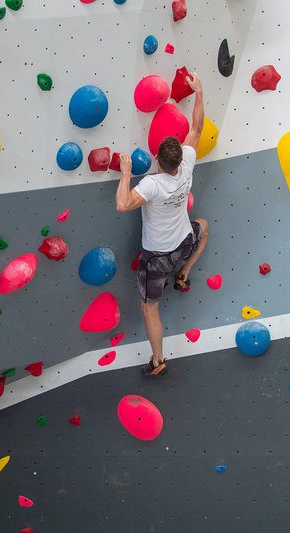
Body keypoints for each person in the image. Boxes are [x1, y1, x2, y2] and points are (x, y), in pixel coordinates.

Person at [115, 73, 209, 377]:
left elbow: (122, 204)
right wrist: (199, 93)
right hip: (183, 245)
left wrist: (126, 173)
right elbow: (197, 127)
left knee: (149, 308)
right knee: (204, 227)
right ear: (180, 157)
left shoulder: (152, 185)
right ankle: (184, 274)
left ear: (157, 158)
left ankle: (158, 360)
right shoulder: (188, 164)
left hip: (156, 258)